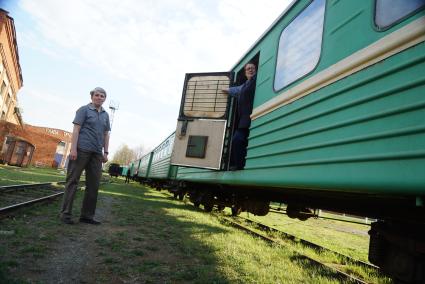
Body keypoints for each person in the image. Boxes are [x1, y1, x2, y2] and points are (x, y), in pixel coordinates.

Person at [60, 87, 111, 225]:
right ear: (92, 97)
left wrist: (105, 152)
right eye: (97, 95)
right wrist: (73, 149)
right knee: (72, 182)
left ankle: (87, 216)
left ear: (104, 99)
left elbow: (106, 134)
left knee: (93, 185)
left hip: (96, 154)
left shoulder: (106, 115)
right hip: (81, 150)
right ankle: (65, 214)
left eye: (102, 96)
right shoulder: (83, 110)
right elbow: (76, 129)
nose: (99, 97)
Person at [222, 62, 257, 170]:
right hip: (245, 120)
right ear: (245, 73)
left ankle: (239, 165)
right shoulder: (244, 85)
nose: (250, 70)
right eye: (248, 69)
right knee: (238, 140)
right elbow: (234, 90)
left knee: (237, 139)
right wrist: (222, 88)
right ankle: (240, 165)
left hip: (252, 117)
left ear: (256, 70)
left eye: (252, 68)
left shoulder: (256, 80)